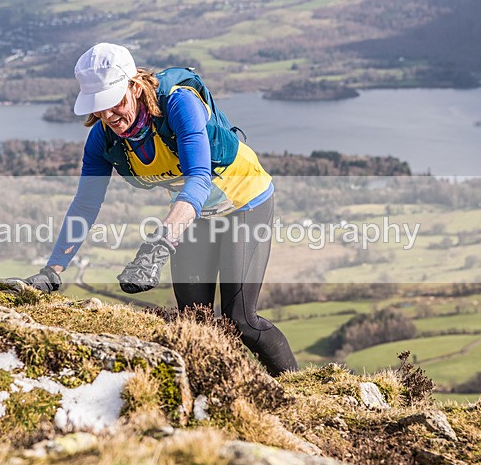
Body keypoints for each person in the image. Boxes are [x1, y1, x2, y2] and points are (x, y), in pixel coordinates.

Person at [22, 43, 298, 376]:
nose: (111, 117)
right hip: (195, 213)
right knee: (192, 321)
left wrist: (160, 244)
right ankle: (217, 395)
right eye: (100, 109)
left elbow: (198, 178)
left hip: (245, 202)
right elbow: (85, 203)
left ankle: (292, 388)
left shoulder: (180, 105)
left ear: (135, 86)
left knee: (240, 319)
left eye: (116, 103)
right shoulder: (103, 139)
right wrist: (54, 270)